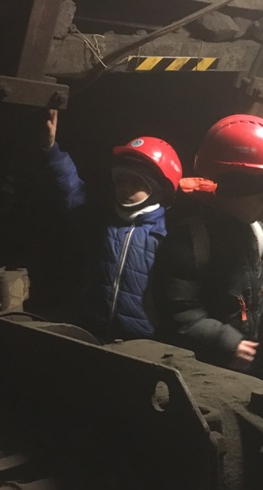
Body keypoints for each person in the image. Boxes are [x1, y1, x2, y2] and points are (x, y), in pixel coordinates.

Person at [151, 114, 263, 459]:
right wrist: (226, 343)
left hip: (250, 348)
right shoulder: (190, 239)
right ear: (231, 190)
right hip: (205, 357)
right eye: (262, 199)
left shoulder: (257, 233)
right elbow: (178, 311)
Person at [39, 109, 182, 343]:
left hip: (142, 344)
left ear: (158, 190)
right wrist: (51, 149)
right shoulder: (105, 221)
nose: (125, 188)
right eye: (120, 180)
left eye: (136, 183)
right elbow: (72, 190)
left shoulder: (167, 235)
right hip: (92, 332)